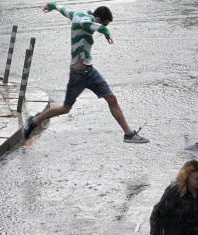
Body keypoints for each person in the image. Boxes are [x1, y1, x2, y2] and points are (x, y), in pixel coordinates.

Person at [22, 2, 149, 144]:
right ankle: (34, 121)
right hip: (77, 75)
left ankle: (129, 134)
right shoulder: (82, 20)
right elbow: (87, 25)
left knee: (112, 99)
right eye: (105, 24)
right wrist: (105, 32)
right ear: (99, 19)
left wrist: (52, 6)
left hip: (90, 71)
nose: (104, 28)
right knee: (65, 108)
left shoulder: (79, 15)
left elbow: (64, 10)